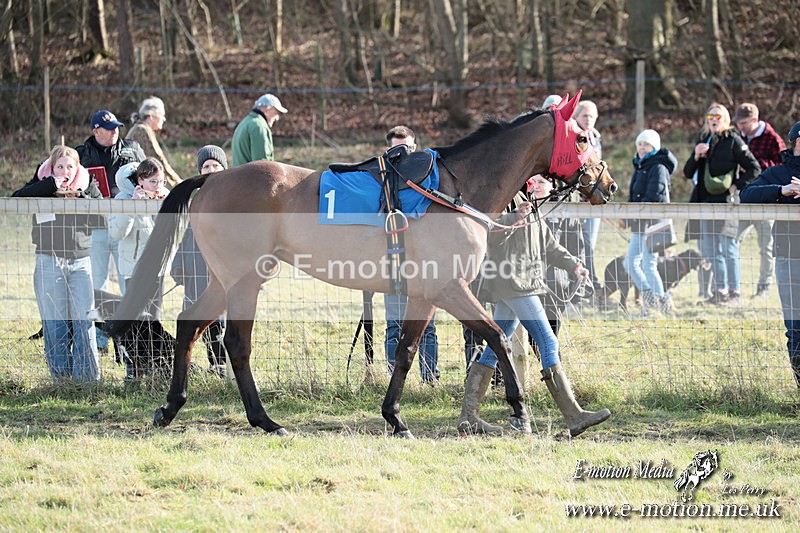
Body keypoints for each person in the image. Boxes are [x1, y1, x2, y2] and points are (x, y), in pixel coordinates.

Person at [458, 190, 610, 436]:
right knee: (548, 341)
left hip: (523, 283)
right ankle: (574, 416)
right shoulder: (509, 198)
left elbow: (549, 245)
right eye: (537, 180)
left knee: (495, 346)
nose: (541, 185)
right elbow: (491, 234)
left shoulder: (533, 207)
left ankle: (469, 417)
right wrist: (515, 217)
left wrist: (574, 266)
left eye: (544, 182)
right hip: (515, 283)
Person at [12, 146, 103, 381]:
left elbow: (102, 218)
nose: (65, 171)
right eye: (60, 167)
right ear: (52, 168)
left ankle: (88, 379)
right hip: (48, 260)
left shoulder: (88, 184)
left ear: (77, 168)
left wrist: (81, 199)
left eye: (70, 166)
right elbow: (16, 199)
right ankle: (62, 380)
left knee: (85, 321)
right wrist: (49, 186)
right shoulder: (42, 181)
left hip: (80, 262)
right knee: (55, 323)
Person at [77, 109, 146, 353]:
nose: (115, 131)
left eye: (117, 127)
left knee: (129, 282)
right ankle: (100, 339)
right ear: (96, 131)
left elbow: (149, 175)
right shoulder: (80, 154)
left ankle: (131, 336)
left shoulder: (132, 149)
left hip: (124, 226)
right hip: (94, 227)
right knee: (98, 285)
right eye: (109, 128)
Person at [740, 120, 800, 390]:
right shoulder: (779, 173)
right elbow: (746, 194)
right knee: (796, 329)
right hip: (789, 258)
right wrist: (781, 191)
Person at [682, 103, 760, 306]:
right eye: (710, 117)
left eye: (718, 117)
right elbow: (688, 173)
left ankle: (735, 293)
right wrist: (696, 155)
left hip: (726, 203)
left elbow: (754, 168)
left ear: (725, 120)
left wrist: (736, 186)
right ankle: (720, 291)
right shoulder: (703, 140)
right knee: (711, 249)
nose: (713, 120)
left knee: (728, 247)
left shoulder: (733, 140)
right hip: (705, 202)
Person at [382, 125, 440, 383]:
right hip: (393, 261)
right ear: (388, 150)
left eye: (407, 149)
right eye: (396, 150)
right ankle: (391, 379)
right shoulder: (381, 180)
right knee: (394, 325)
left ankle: (430, 379)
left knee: (427, 327)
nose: (402, 155)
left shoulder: (429, 178)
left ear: (415, 148)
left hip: (423, 263)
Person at [171, 145, 229, 378]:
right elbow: (187, 235)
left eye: (216, 165)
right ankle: (194, 366)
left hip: (221, 270)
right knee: (195, 318)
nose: (211, 170)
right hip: (196, 268)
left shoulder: (233, 197)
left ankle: (221, 365)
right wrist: (179, 264)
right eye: (206, 166)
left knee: (219, 321)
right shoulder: (196, 200)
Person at [733, 103, 786, 298]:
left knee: (766, 246)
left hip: (765, 202)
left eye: (744, 123)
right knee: (731, 240)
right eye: (738, 123)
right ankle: (730, 287)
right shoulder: (738, 138)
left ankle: (764, 287)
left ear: (755, 120)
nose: (741, 127)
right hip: (743, 198)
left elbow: (783, 167)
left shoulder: (772, 138)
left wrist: (757, 165)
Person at [622, 129, 676, 317]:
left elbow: (653, 196)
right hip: (639, 223)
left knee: (649, 264)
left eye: (646, 144)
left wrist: (634, 215)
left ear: (654, 147)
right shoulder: (640, 166)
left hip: (654, 223)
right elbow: (634, 196)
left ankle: (662, 303)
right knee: (630, 263)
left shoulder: (658, 167)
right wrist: (627, 217)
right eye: (640, 144)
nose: (642, 147)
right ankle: (651, 301)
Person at [572, 100, 603, 296]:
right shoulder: (574, 136)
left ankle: (592, 283)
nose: (589, 119)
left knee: (590, 243)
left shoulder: (596, 138)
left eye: (592, 116)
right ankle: (586, 284)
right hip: (578, 198)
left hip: (594, 199)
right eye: (585, 115)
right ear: (576, 116)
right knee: (579, 243)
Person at [126, 96, 181, 188]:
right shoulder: (142, 130)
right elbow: (157, 159)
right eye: (162, 115)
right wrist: (177, 181)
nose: (164, 119)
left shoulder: (140, 128)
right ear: (151, 116)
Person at [231, 93, 288, 166]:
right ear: (266, 110)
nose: (277, 118)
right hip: (250, 173)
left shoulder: (245, 122)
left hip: (239, 173)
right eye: (276, 112)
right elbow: (262, 165)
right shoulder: (259, 126)